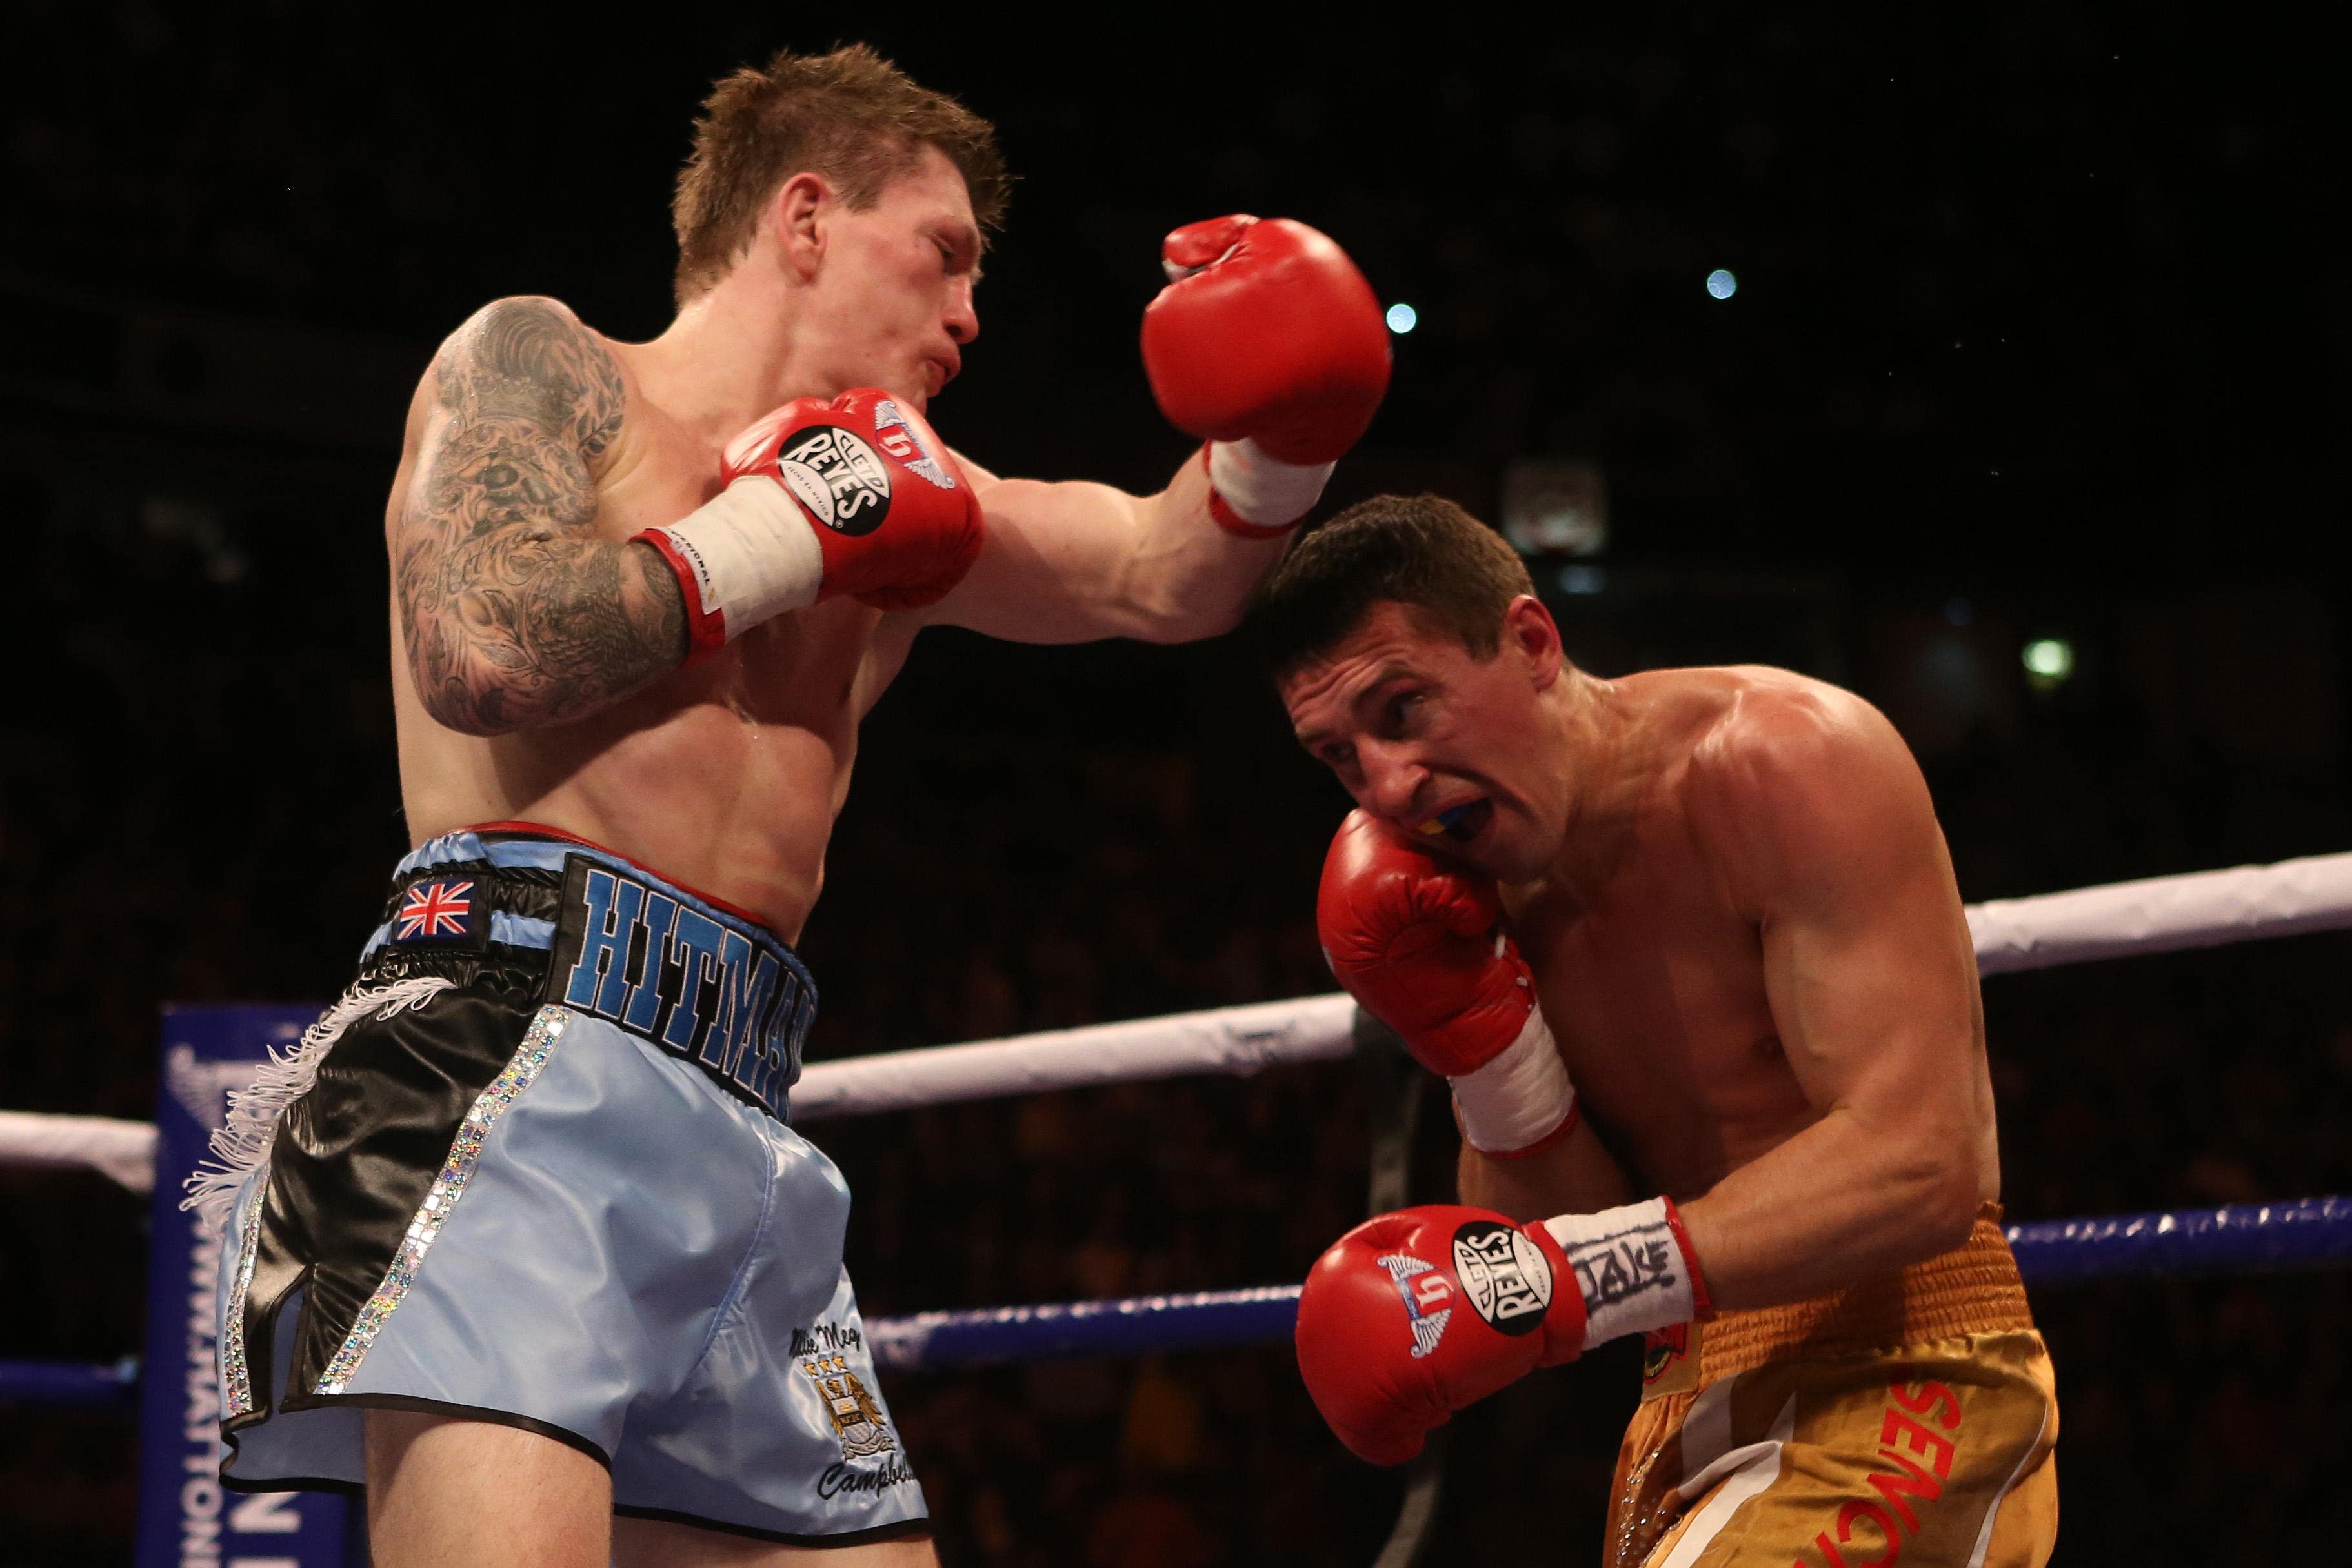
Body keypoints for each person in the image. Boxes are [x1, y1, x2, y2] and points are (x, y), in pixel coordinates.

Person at [189, 43, 1389, 1567]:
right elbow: (478, 646)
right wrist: (779, 534)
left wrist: (1293, 426)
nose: (969, 314)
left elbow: (1164, 574)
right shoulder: (551, 369)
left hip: (742, 1124)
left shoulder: (911, 505)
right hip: (503, 1064)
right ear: (805, 218)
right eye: (941, 254)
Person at [1263, 494, 2056, 1567]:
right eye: (1340, 759)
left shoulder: (1784, 761)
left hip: (1903, 1363)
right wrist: (1486, 1049)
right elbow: (1553, 1250)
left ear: (1531, 643)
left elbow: (1923, 1162)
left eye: (1401, 711)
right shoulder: (1467, 887)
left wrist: (1574, 1275)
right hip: (1682, 1397)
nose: (1385, 786)